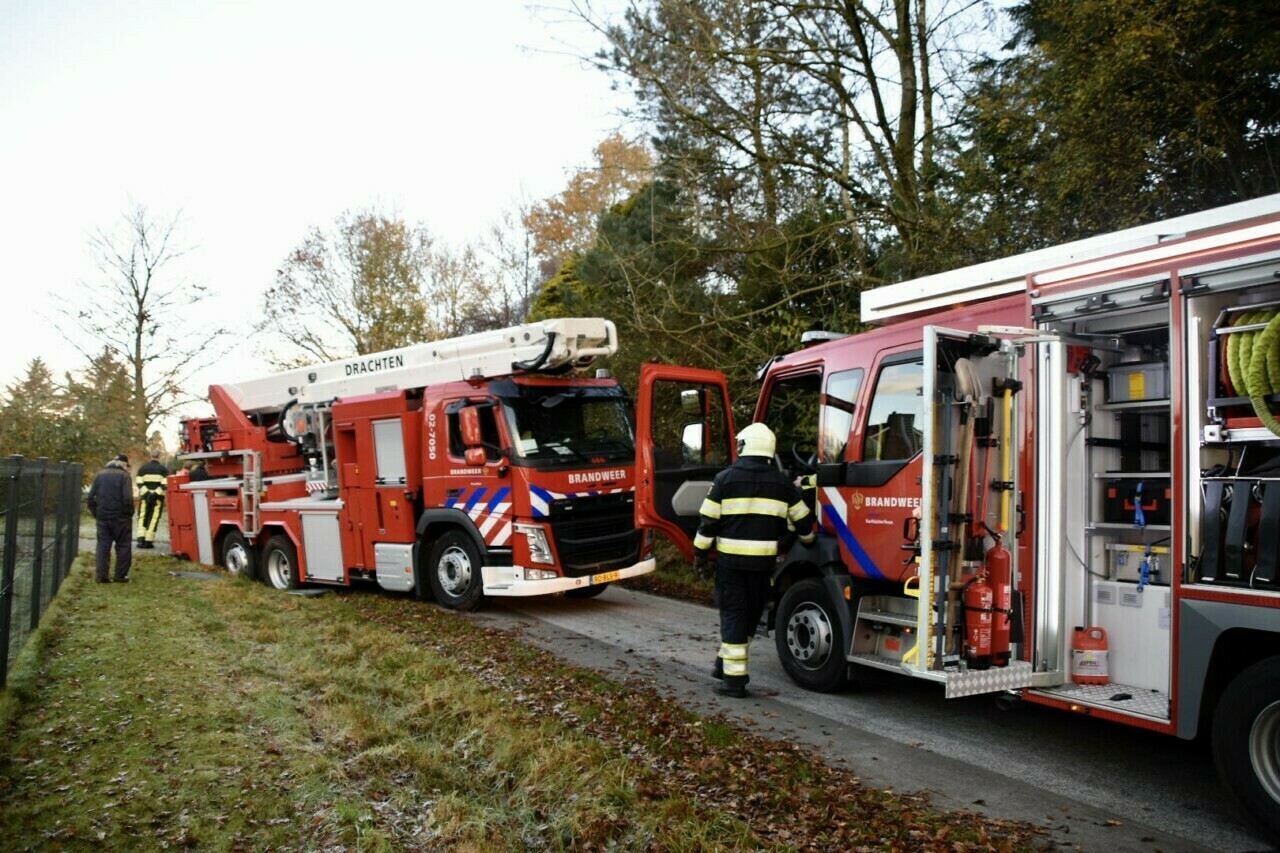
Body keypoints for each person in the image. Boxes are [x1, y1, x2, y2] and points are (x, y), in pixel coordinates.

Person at [693, 423, 816, 698]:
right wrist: (794, 541)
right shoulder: (782, 484)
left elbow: (707, 523)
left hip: (731, 566)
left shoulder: (724, 479)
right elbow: (805, 526)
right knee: (748, 616)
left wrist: (700, 555)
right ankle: (722, 665)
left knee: (733, 616)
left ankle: (734, 683)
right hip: (763, 568)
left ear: (745, 446)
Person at [86, 454, 134, 583]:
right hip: (121, 519)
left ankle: (102, 576)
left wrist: (97, 513)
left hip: (103, 518)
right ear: (124, 465)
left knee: (103, 546)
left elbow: (90, 498)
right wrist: (128, 514)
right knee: (123, 546)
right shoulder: (124, 477)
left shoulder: (100, 475)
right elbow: (128, 499)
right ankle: (120, 575)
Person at [135, 450, 169, 549]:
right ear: (160, 456)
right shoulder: (163, 469)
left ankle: (140, 539)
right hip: (157, 499)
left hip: (145, 498)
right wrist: (154, 495)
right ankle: (148, 541)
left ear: (151, 456)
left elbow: (139, 483)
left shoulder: (143, 468)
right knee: (153, 518)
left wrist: (147, 494)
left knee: (142, 517)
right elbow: (164, 484)